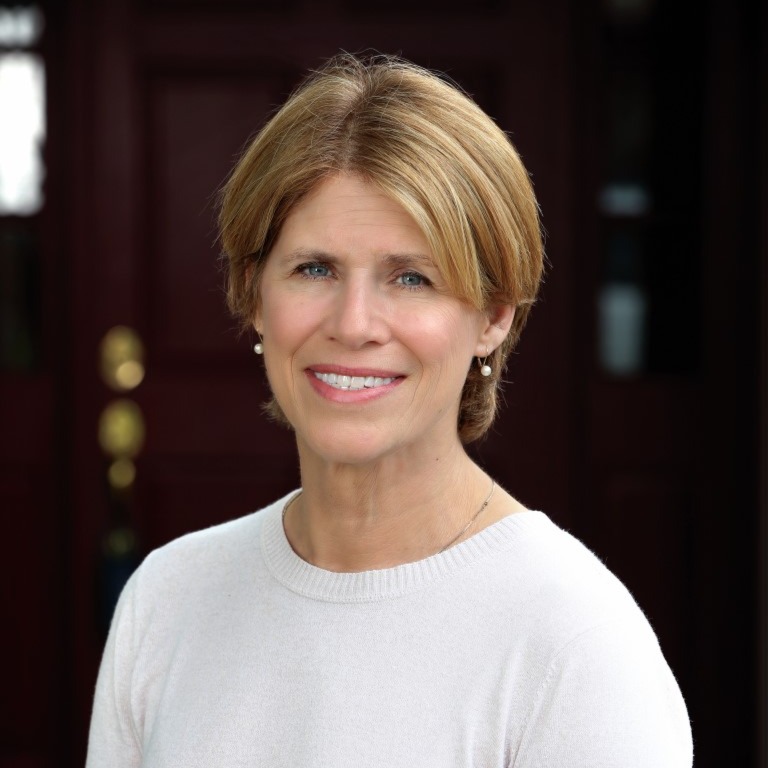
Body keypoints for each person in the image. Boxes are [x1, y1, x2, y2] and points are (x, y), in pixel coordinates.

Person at [86, 53, 693, 767]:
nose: (355, 322)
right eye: (315, 268)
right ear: (252, 293)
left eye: (411, 277)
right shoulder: (168, 598)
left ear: (495, 314)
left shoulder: (574, 643)